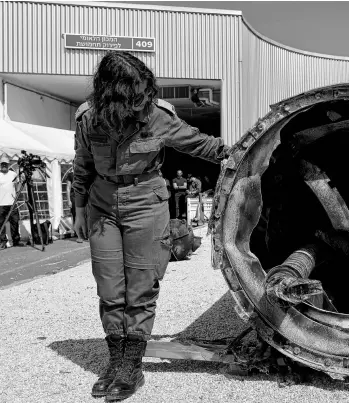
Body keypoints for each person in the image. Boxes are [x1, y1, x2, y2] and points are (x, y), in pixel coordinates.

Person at [72, 51, 229, 401]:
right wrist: (79, 209)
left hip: (146, 200)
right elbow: (82, 164)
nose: (144, 100)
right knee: (110, 287)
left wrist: (244, 150)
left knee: (142, 285)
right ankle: (115, 362)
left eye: (146, 91)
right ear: (112, 96)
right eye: (136, 96)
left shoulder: (159, 117)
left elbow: (202, 144)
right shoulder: (88, 119)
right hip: (102, 205)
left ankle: (133, 365)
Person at [0, 155, 22, 249]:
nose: (4, 165)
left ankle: (16, 240)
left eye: (5, 164)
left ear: (8, 164)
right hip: (1, 204)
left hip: (12, 202)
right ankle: (3, 242)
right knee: (1, 224)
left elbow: (17, 185)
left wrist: (17, 193)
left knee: (15, 222)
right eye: (2, 164)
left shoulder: (13, 174)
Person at [64, 170, 84, 243]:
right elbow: (68, 188)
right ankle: (79, 236)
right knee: (76, 215)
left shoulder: (83, 172)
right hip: (74, 197)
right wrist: (68, 200)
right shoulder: (70, 174)